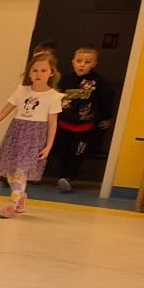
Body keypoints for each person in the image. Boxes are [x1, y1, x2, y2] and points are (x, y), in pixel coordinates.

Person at [0, 54, 62, 219]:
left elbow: (53, 123)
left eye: (43, 70)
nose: (38, 74)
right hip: (16, 134)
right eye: (34, 70)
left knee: (21, 172)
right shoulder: (21, 91)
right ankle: (21, 196)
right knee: (11, 173)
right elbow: (3, 112)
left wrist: (49, 145)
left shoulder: (54, 97)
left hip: (35, 137)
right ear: (29, 72)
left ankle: (12, 205)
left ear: (51, 72)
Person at [53, 46, 115, 192]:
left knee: (78, 153)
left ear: (94, 64)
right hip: (64, 123)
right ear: (73, 62)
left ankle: (69, 178)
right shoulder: (65, 80)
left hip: (85, 127)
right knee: (63, 152)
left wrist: (107, 117)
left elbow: (107, 101)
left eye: (87, 62)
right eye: (79, 61)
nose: (82, 65)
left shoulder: (99, 82)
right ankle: (61, 177)